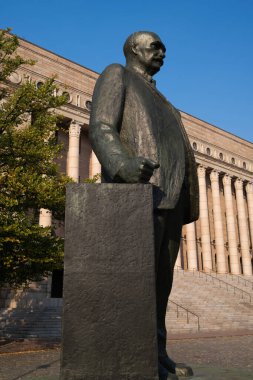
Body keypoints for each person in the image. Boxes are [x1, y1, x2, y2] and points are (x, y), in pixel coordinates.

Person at [89, 31, 199, 380]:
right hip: (138, 195)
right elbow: (102, 126)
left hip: (170, 200)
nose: (163, 52)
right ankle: (123, 358)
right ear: (134, 49)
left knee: (160, 286)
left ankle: (157, 352)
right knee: (133, 283)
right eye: (156, 46)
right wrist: (121, 165)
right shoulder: (116, 75)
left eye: (164, 47)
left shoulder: (166, 102)